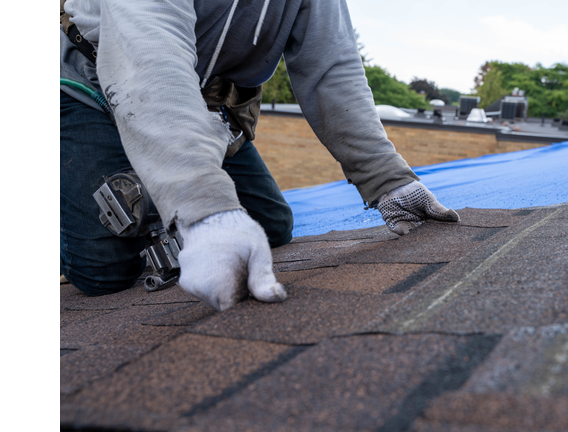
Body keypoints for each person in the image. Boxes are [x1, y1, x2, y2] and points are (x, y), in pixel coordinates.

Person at [60, 0, 459, 311]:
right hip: (93, 84)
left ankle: (154, 178)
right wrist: (204, 211)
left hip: (200, 99)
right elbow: (149, 57)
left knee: (271, 226)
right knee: (104, 272)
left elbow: (330, 67)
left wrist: (389, 181)